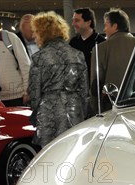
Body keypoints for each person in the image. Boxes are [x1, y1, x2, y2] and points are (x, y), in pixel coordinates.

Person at [28, 12, 89, 148]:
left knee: (50, 152)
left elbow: (34, 93)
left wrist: (35, 112)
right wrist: (81, 112)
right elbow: (84, 92)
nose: (34, 36)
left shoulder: (38, 58)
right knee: (73, 151)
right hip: (74, 109)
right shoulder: (78, 55)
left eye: (36, 32)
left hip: (49, 111)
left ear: (42, 33)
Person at [90, 8, 135, 114]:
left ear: (115, 26)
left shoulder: (100, 49)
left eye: (106, 25)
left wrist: (96, 108)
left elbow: (95, 84)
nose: (104, 29)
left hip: (112, 107)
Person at [70, 8, 106, 82]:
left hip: (96, 89)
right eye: (73, 20)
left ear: (88, 22)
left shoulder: (101, 42)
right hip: (77, 89)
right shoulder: (73, 43)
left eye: (77, 20)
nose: (73, 24)